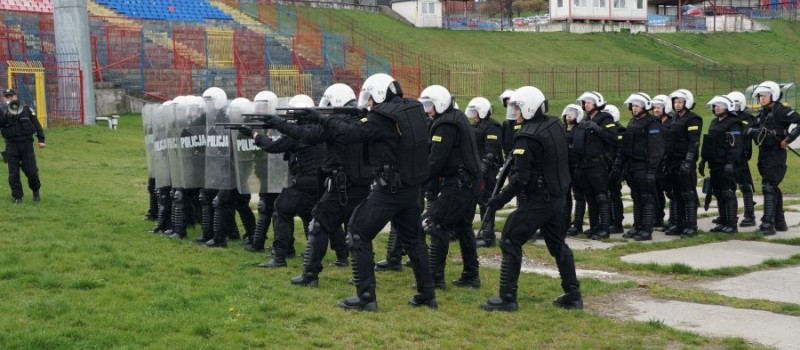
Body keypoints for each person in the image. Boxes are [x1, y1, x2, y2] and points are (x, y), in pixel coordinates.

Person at [297, 73, 437, 311]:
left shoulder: (382, 118)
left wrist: (321, 119)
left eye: (371, 98)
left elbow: (350, 135)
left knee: (358, 234)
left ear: (381, 94)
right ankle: (427, 295)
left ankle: (366, 297)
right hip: (411, 189)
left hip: (390, 190)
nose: (369, 103)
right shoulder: (412, 108)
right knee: (414, 242)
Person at [480, 86, 582, 312]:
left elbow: (520, 179)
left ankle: (507, 298)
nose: (513, 112)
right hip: (557, 197)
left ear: (529, 107)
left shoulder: (526, 136)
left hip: (539, 200)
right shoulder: (554, 124)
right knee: (557, 245)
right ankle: (573, 295)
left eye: (517, 107)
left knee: (509, 238)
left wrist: (499, 200)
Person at [256, 83, 368, 286]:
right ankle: (353, 268)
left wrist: (276, 124)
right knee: (351, 227)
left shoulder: (333, 126)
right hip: (355, 184)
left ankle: (301, 269)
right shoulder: (362, 121)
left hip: (334, 182)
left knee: (312, 219)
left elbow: (300, 137)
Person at [421, 85, 482, 289]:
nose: (427, 110)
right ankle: (471, 274)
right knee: (464, 226)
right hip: (469, 180)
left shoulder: (445, 124)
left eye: (429, 105)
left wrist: (417, 180)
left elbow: (435, 161)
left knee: (436, 223)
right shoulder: (456, 116)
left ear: (439, 103)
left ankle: (435, 278)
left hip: (457, 182)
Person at [252, 94, 324, 266]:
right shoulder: (321, 129)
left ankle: (279, 256)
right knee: (313, 215)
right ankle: (334, 256)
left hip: (305, 181)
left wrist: (254, 135)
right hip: (322, 181)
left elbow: (271, 146)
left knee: (281, 210)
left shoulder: (299, 133)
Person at [747, 81, 800, 235]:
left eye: (764, 96)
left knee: (768, 186)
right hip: (764, 152)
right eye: (759, 96)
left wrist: (789, 139)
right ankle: (780, 222)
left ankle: (768, 224)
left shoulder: (782, 111)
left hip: (776, 153)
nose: (761, 99)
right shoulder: (762, 113)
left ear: (773, 95)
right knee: (772, 187)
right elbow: (753, 127)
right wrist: (751, 130)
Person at [619, 93, 664, 241]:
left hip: (645, 166)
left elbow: (656, 149)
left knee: (647, 197)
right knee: (636, 197)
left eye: (637, 105)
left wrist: (652, 170)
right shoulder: (633, 121)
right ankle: (637, 226)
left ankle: (646, 229)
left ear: (645, 107)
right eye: (633, 106)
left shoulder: (653, 123)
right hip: (633, 165)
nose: (634, 108)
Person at [574, 91, 618, 240]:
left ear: (597, 103)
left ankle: (605, 228)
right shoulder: (584, 120)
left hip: (598, 164)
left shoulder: (606, 118)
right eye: (585, 102)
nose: (586, 104)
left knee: (601, 196)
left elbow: (613, 138)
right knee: (590, 197)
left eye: (589, 102)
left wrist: (597, 128)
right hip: (584, 164)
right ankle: (594, 227)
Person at [698, 94, 743, 234]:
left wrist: (730, 163)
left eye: (720, 105)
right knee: (718, 192)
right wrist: (703, 159)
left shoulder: (734, 123)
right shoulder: (714, 122)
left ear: (728, 107)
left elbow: (736, 146)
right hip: (715, 164)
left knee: (728, 193)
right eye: (715, 105)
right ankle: (723, 221)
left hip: (726, 164)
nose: (716, 107)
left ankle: (731, 224)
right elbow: (709, 142)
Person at [664, 89, 702, 238]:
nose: (677, 104)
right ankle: (679, 224)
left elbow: (694, 142)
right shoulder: (674, 119)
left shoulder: (693, 119)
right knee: (677, 195)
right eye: (675, 102)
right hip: (673, 161)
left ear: (687, 103)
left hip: (685, 161)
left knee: (688, 194)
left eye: (680, 102)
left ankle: (692, 225)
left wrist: (688, 161)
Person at [468, 97, 503, 248]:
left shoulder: (492, 127)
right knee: (473, 200)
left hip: (486, 171)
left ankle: (488, 235)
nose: (474, 115)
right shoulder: (475, 126)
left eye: (476, 112)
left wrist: (481, 171)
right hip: (474, 169)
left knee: (485, 201)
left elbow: (491, 152)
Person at [0, 89, 45, 204]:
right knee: (13, 174)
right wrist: (6, 115)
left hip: (26, 145)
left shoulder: (25, 109)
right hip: (11, 145)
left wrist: (41, 139)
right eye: (7, 96)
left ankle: (35, 190)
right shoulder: (1, 110)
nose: (9, 98)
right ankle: (17, 197)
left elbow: (36, 124)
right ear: (3, 98)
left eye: (11, 96)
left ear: (16, 97)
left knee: (32, 172)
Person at [727, 91, 757, 227]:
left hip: (741, 156)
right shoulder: (726, 118)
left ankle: (750, 215)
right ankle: (728, 214)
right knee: (728, 186)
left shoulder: (747, 118)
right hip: (728, 156)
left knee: (745, 186)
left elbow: (746, 130)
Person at [561, 104, 586, 236]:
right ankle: (565, 223)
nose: (568, 115)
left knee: (579, 196)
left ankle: (577, 224)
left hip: (576, 166)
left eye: (572, 113)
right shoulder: (562, 129)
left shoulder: (580, 130)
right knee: (565, 196)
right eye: (567, 113)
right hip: (564, 167)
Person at [651, 94, 674, 231]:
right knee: (656, 191)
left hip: (667, 161)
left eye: (658, 107)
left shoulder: (671, 123)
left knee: (670, 192)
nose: (655, 110)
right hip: (656, 162)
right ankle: (657, 217)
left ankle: (674, 219)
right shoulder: (653, 122)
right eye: (654, 107)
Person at [604, 104, 625, 234]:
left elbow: (620, 151)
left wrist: (617, 167)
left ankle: (617, 223)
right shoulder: (604, 130)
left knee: (614, 194)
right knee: (606, 195)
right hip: (604, 165)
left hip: (615, 166)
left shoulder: (620, 131)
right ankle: (609, 220)